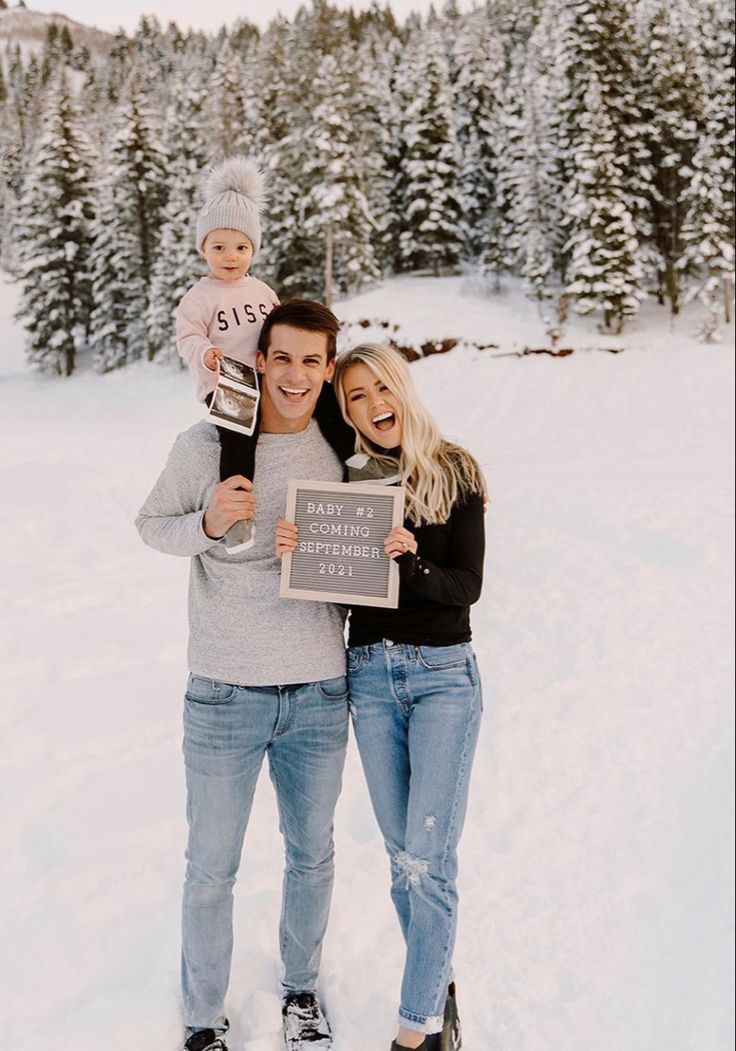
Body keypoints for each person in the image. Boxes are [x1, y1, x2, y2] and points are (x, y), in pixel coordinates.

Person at [136, 301, 351, 1051]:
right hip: (225, 691)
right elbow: (150, 524)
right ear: (259, 360)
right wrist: (205, 523)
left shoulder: (339, 445)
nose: (296, 375)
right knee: (211, 866)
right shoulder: (208, 444)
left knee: (312, 852)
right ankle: (201, 1018)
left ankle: (301, 989)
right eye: (282, 358)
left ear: (329, 368)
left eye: (311, 362)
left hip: (321, 690)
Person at [277, 343, 486, 1051]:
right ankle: (439, 984)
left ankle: (417, 1028)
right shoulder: (349, 476)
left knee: (430, 858)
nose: (372, 405)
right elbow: (344, 593)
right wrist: (301, 551)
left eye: (379, 389)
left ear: (402, 386)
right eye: (356, 397)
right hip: (368, 675)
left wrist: (412, 559)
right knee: (403, 859)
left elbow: (465, 588)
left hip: (442, 677)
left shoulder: (453, 468)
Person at [176, 157, 353, 550]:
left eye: (241, 247)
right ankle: (238, 518)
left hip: (268, 377)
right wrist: (204, 353)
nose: (230, 256)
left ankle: (358, 465)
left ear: (253, 250)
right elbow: (186, 336)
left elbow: (281, 329)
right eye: (219, 247)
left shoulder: (261, 291)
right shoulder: (200, 297)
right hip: (229, 382)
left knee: (326, 404)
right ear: (204, 248)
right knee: (240, 441)